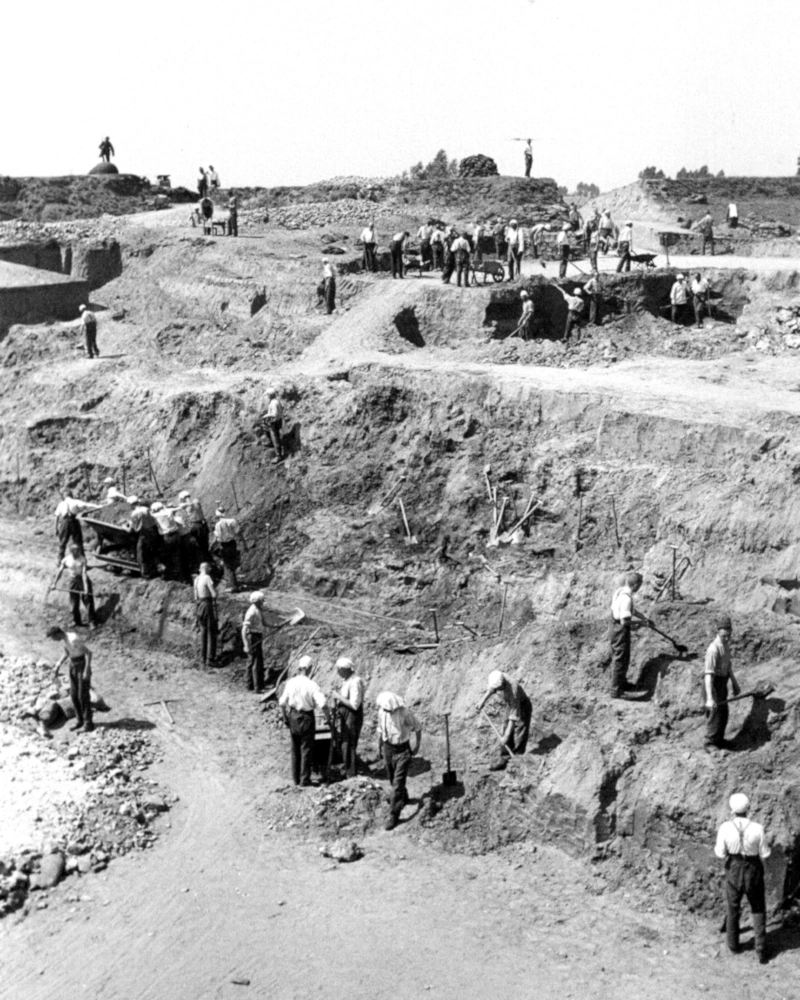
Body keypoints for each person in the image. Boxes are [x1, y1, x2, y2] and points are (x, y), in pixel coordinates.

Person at [714, 793, 771, 963]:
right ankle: (760, 949)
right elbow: (765, 853)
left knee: (733, 907)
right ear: (748, 808)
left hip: (733, 868)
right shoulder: (758, 828)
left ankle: (733, 944)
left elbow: (720, 853)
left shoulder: (725, 827)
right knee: (758, 907)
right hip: (753, 868)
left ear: (732, 810)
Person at [279, 656, 329, 786]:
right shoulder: (312, 685)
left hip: (293, 715)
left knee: (295, 748)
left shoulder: (291, 682)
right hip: (306, 717)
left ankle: (296, 779)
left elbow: (282, 702)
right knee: (306, 749)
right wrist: (329, 718)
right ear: (308, 668)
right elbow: (323, 704)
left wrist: (285, 717)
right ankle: (304, 780)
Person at [376, 691, 421, 830]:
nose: (386, 710)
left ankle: (393, 814)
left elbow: (418, 727)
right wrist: (379, 747)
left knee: (397, 782)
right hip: (388, 748)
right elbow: (380, 730)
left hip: (402, 749)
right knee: (391, 777)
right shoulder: (381, 711)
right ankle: (403, 796)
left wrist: (417, 745)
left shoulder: (404, 712)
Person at [476, 670, 532, 770]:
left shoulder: (513, 688)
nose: (498, 690)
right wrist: (482, 701)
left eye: (499, 688)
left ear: (502, 683)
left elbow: (513, 717)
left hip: (522, 705)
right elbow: (492, 689)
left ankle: (518, 760)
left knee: (520, 731)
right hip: (510, 704)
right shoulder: (497, 677)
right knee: (505, 726)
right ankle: (505, 758)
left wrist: (506, 736)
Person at [47, 625, 94, 732]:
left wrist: (87, 670)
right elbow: (66, 652)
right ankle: (80, 720)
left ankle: (88, 724)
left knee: (83, 696)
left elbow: (88, 653)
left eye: (53, 638)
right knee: (73, 695)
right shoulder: (64, 640)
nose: (53, 640)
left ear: (57, 634)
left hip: (81, 665)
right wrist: (57, 665)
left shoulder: (73, 638)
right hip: (72, 665)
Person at [704, 616, 741, 750]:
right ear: (718, 632)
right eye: (724, 636)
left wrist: (734, 683)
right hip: (713, 684)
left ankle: (719, 740)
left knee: (723, 713)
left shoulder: (726, 646)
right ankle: (709, 743)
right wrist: (709, 698)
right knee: (714, 714)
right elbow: (708, 675)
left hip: (723, 682)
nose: (727, 638)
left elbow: (728, 667)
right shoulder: (713, 650)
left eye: (729, 635)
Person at [610, 571, 643, 698]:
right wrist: (641, 623)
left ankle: (621, 683)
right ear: (635, 585)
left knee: (621, 657)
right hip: (620, 629)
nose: (640, 587)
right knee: (620, 659)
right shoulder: (626, 598)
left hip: (614, 626)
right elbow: (625, 621)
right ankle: (616, 690)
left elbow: (630, 611)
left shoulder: (620, 591)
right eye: (640, 585)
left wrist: (642, 617)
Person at [330, 656, 364, 778]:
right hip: (346, 714)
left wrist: (338, 697)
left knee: (348, 744)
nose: (338, 673)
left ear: (345, 669)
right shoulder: (347, 680)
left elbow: (355, 705)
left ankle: (351, 773)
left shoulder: (355, 681)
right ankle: (348, 767)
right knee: (344, 743)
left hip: (352, 716)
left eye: (339, 670)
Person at [52, 542, 97, 629]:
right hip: (73, 581)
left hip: (83, 580)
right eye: (76, 550)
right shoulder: (66, 560)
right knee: (74, 603)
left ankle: (91, 622)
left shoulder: (82, 559)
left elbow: (84, 574)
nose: (79, 551)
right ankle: (76, 621)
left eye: (79, 550)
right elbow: (59, 572)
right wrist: (54, 583)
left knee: (88, 601)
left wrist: (86, 588)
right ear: (72, 551)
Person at [54, 491, 96, 562]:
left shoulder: (61, 504)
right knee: (78, 542)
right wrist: (98, 506)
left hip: (65, 523)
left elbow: (57, 517)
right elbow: (87, 505)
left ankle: (60, 561)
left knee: (62, 542)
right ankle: (82, 561)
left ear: (65, 496)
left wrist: (56, 528)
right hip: (74, 522)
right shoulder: (76, 501)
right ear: (71, 495)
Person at [127, 496, 159, 578]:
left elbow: (132, 529)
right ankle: (155, 569)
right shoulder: (146, 509)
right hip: (153, 532)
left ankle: (146, 574)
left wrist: (126, 528)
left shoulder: (134, 513)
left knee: (141, 555)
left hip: (144, 535)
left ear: (131, 505)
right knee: (152, 551)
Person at [193, 562, 217, 667]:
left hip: (199, 606)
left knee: (203, 631)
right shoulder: (207, 578)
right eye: (209, 568)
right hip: (207, 605)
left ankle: (202, 657)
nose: (210, 569)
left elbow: (195, 597)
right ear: (206, 569)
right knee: (211, 631)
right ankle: (210, 658)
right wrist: (215, 594)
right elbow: (214, 594)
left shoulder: (196, 579)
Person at [150, 501, 182, 581]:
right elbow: (177, 508)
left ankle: (171, 575)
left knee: (167, 556)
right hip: (176, 535)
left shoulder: (156, 515)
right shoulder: (169, 511)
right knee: (177, 555)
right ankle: (180, 575)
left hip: (167, 537)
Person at [242, 591, 266, 692]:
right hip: (252, 637)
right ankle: (256, 687)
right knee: (255, 662)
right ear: (257, 601)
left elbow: (263, 622)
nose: (263, 602)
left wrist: (274, 626)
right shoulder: (251, 612)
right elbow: (243, 629)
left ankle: (250, 684)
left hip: (257, 635)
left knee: (254, 661)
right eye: (261, 600)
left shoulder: (258, 609)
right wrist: (246, 645)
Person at [213, 506, 240, 591]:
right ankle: (232, 582)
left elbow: (218, 537)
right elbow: (238, 532)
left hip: (224, 545)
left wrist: (212, 546)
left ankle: (233, 586)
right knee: (231, 563)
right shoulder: (232, 521)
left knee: (228, 564)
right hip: (232, 543)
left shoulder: (218, 525)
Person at [178, 489, 209, 562]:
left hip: (195, 525)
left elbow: (182, 505)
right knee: (205, 545)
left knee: (199, 546)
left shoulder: (187, 505)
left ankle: (204, 561)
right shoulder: (196, 501)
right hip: (203, 524)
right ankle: (207, 559)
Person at [263, 387, 284, 464]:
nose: (267, 396)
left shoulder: (274, 403)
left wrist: (267, 416)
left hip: (274, 422)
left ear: (270, 395)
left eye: (268, 395)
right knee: (265, 428)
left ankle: (279, 456)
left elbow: (274, 414)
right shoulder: (276, 401)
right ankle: (270, 442)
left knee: (275, 437)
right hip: (277, 420)